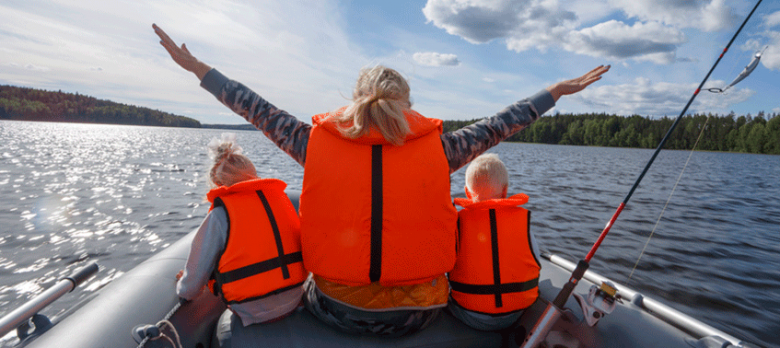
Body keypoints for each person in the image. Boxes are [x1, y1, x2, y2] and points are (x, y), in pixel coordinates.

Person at [154, 23, 609, 337]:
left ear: (356, 100)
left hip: (337, 311)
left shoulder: (312, 143)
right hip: (421, 315)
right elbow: (503, 123)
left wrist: (198, 69)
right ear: (407, 104)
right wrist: (554, 92)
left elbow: (251, 106)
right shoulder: (443, 149)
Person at [176, 133, 307, 342]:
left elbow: (190, 288)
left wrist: (184, 287)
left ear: (217, 182)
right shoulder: (281, 202)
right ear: (254, 175)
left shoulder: (220, 215)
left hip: (251, 310)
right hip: (294, 298)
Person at [448, 153, 541, 331]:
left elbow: (445, 265)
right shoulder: (523, 224)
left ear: (467, 193)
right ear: (505, 191)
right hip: (516, 313)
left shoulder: (457, 224)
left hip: (468, 313)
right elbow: (535, 261)